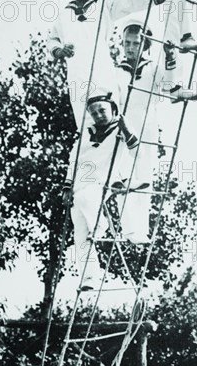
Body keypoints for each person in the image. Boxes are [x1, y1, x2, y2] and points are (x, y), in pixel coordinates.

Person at [115, 12, 197, 238]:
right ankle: (129, 229)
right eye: (127, 43)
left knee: (144, 177)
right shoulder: (116, 70)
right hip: (122, 125)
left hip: (147, 123)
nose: (130, 48)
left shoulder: (152, 68)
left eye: (136, 43)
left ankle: (141, 231)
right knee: (124, 176)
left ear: (144, 45)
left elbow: (168, 83)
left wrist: (169, 54)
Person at [47, 0, 151, 130]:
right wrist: (59, 51)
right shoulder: (64, 14)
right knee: (85, 123)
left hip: (100, 70)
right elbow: (52, 39)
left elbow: (131, 2)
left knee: (109, 116)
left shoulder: (104, 5)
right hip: (76, 74)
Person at [63, 90, 149, 291]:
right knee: (80, 234)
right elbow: (73, 160)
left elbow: (139, 154)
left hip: (104, 179)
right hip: (80, 182)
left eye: (102, 110)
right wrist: (67, 186)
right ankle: (89, 277)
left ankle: (100, 225)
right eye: (94, 113)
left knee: (86, 200)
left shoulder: (119, 129)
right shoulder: (86, 132)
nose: (98, 115)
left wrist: (127, 130)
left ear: (112, 109)